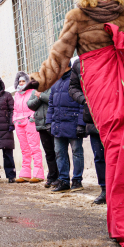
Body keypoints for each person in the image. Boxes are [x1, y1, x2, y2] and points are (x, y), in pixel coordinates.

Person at [29, 0, 124, 247]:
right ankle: (122, 223)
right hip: (100, 80)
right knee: (120, 144)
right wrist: (39, 80)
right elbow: (60, 54)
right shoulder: (77, 16)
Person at [70, 59, 106, 204]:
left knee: (118, 155)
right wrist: (85, 100)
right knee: (99, 156)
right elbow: (73, 88)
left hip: (114, 113)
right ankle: (105, 189)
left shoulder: (108, 55)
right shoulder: (79, 63)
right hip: (93, 117)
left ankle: (121, 189)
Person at [47, 63, 85, 193]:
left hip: (73, 123)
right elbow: (51, 105)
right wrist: (49, 122)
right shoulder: (55, 83)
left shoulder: (76, 79)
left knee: (77, 152)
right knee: (59, 153)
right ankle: (63, 180)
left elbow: (82, 103)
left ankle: (77, 180)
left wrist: (81, 123)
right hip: (58, 124)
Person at [13, 73, 45, 183]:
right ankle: (25, 174)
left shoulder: (32, 91)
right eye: (20, 81)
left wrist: (33, 116)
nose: (21, 83)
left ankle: (38, 174)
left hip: (30, 121)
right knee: (24, 149)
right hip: (19, 122)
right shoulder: (17, 94)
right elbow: (15, 109)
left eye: (23, 81)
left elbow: (36, 105)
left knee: (34, 147)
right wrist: (14, 119)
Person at [27, 78, 58, 187]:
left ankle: (61, 177)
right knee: (49, 153)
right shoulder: (35, 90)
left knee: (58, 152)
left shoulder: (53, 86)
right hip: (41, 125)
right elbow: (30, 104)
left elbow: (53, 100)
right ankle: (52, 176)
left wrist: (41, 96)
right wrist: (39, 97)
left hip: (53, 123)